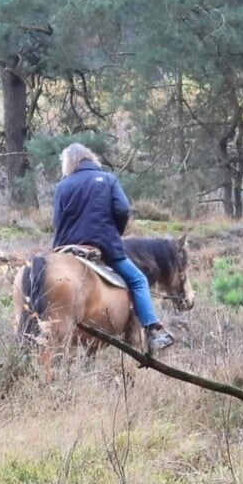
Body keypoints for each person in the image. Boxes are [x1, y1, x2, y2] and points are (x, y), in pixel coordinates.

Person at [49, 143, 175, 350]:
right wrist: (114, 234)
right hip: (103, 246)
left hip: (66, 247)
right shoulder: (108, 180)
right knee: (138, 280)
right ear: (89, 159)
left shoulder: (63, 185)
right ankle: (152, 330)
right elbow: (123, 210)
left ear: (70, 163)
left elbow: (56, 220)